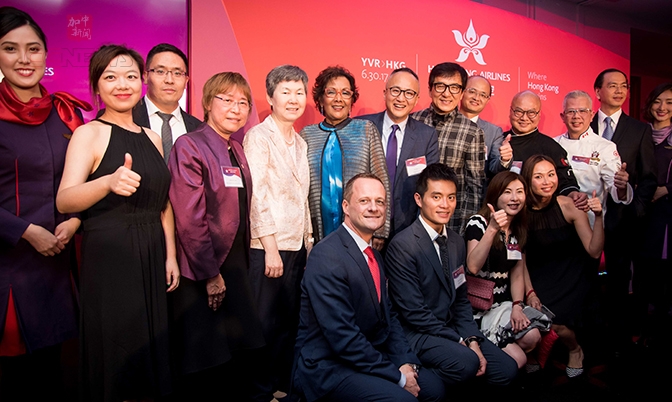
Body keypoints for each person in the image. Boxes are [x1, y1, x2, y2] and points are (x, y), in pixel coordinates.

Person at [56, 44, 179, 401]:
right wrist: (106, 182)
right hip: (110, 256)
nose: (121, 84)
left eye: (129, 76)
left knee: (150, 350)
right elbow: (65, 199)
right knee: (118, 350)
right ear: (96, 86)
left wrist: (170, 255)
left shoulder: (152, 137)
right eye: (110, 77)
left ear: (141, 82)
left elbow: (163, 203)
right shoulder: (88, 134)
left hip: (152, 252)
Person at [0, 6, 90, 400]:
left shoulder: (65, 113)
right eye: (10, 49)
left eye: (33, 49)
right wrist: (25, 231)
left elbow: (81, 183)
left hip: (58, 267)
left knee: (55, 378)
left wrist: (74, 220)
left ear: (46, 55)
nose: (24, 59)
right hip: (9, 268)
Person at [293, 173, 445, 402]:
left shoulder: (374, 255)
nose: (374, 207)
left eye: (380, 202)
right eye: (364, 201)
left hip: (369, 354)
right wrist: (397, 376)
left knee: (434, 389)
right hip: (329, 365)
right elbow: (343, 336)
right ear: (346, 206)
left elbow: (389, 317)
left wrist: (404, 362)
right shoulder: (327, 255)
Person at [168, 72, 265, 400]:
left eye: (243, 103)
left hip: (235, 259)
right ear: (207, 103)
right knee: (205, 353)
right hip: (203, 264)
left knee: (234, 346)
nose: (236, 109)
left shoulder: (236, 147)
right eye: (226, 100)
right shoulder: (190, 145)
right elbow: (189, 219)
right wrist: (210, 273)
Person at [385, 163, 518, 389]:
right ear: (419, 199)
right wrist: (461, 341)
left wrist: (472, 339)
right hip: (419, 333)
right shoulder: (402, 246)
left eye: (451, 197)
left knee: (508, 370)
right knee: (467, 362)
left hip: (452, 330)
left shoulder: (456, 241)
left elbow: (461, 301)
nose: (445, 205)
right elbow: (414, 313)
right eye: (436, 197)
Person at [242, 65, 312, 401]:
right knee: (263, 324)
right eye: (286, 91)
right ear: (270, 97)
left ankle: (281, 386)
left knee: (288, 322)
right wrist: (269, 247)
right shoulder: (258, 137)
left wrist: (308, 243)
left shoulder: (300, 142)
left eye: (299, 92)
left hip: (296, 246)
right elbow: (256, 195)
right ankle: (258, 390)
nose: (294, 99)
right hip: (266, 247)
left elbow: (303, 199)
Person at [590, 68, 657, 355]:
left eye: (624, 86)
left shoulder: (640, 129)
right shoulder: (582, 122)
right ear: (597, 91)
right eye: (612, 85)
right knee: (585, 280)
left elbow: (649, 176)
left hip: (622, 221)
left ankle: (615, 342)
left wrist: (637, 208)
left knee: (617, 283)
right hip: (584, 220)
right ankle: (585, 335)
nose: (619, 91)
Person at [521, 155, 604, 378]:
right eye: (539, 177)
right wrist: (529, 293)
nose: (547, 181)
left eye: (551, 175)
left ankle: (575, 348)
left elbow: (594, 251)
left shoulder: (569, 206)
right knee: (532, 319)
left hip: (572, 276)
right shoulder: (520, 213)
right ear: (528, 180)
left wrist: (598, 216)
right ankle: (535, 350)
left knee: (556, 323)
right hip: (538, 275)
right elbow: (521, 259)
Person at [301, 65, 390, 249]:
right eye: (331, 92)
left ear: (352, 99)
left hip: (359, 228)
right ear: (321, 98)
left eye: (345, 93)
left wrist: (381, 229)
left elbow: (381, 180)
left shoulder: (365, 130)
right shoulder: (307, 135)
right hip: (318, 230)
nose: (338, 99)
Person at [464, 171, 541, 369]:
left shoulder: (517, 230)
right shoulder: (478, 223)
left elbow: (516, 273)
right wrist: (492, 229)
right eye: (507, 192)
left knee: (533, 336)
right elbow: (472, 266)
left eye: (520, 192)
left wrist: (517, 305)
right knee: (518, 360)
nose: (515, 198)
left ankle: (499, 352)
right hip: (478, 307)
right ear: (495, 196)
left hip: (503, 304)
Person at [357, 67, 439, 237]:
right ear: (385, 92)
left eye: (409, 93)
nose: (401, 98)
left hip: (406, 229)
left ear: (416, 99)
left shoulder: (427, 135)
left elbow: (429, 187)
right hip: (363, 225)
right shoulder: (361, 126)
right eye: (395, 90)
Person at [411, 62, 485, 234]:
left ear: (461, 93)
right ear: (430, 89)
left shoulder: (472, 132)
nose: (446, 94)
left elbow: (474, 187)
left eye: (454, 88)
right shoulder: (413, 121)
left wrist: (463, 230)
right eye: (440, 86)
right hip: (411, 221)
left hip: (449, 225)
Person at [555, 90, 632, 228]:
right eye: (571, 111)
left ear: (592, 115)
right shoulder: (552, 145)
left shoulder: (605, 147)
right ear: (563, 116)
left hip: (589, 224)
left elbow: (616, 190)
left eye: (582, 111)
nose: (576, 116)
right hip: (557, 222)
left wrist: (621, 186)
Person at [633, 82, 672, 346]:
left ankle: (661, 330)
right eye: (658, 101)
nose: (662, 107)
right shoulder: (640, 132)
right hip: (639, 210)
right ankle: (638, 331)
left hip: (667, 214)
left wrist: (666, 189)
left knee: (664, 272)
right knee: (641, 272)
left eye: (669, 102)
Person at [504, 91, 586, 210]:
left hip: (541, 214)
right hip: (503, 214)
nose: (524, 118)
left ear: (539, 115)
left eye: (531, 113)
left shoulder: (551, 147)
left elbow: (566, 182)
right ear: (511, 111)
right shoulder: (497, 141)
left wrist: (573, 194)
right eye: (519, 111)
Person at [135, 43, 201, 162]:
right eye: (160, 71)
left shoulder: (199, 129)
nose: (169, 80)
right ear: (145, 76)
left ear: (186, 80)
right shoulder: (125, 119)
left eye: (177, 73)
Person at [459, 75, 512, 185]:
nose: (477, 98)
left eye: (483, 95)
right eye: (472, 91)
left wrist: (505, 160)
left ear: (487, 100)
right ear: (462, 92)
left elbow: (494, 168)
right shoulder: (445, 122)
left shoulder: (493, 132)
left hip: (476, 194)